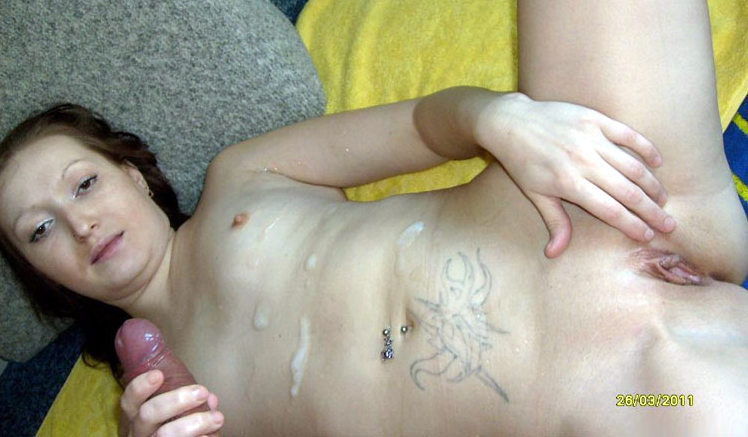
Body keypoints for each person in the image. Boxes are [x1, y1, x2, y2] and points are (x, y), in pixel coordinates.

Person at [1, 0, 747, 435]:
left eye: (84, 184)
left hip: (599, 191)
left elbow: (424, 129)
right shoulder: (176, 405)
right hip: (621, 390)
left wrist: (502, 119)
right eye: (40, 229)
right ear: (40, 275)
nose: (80, 224)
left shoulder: (240, 175)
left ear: (132, 172)